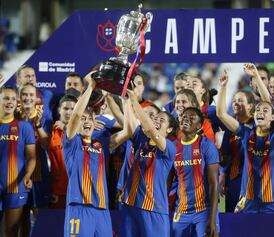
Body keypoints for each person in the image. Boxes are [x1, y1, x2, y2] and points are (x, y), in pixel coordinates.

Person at [217, 70, 274, 214]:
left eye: (265, 110)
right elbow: (221, 113)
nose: (260, 112)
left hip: (271, 201)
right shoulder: (246, 134)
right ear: (253, 114)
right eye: (258, 109)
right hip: (247, 199)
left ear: (272, 118)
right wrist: (223, 87)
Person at [62, 72, 128, 236]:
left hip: (102, 208)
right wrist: (91, 86)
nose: (86, 122)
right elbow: (76, 115)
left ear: (95, 123)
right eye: (83, 120)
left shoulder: (102, 144)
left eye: (90, 119)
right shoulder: (72, 143)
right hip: (79, 206)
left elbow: (129, 129)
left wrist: (111, 97)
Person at [117, 89, 177, 237]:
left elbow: (149, 127)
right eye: (155, 118)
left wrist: (135, 101)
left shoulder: (169, 147)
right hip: (130, 206)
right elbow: (130, 126)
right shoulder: (142, 140)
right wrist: (126, 102)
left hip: (154, 209)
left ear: (169, 129)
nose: (156, 120)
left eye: (161, 120)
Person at [170, 107, 219, 237]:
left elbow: (214, 184)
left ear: (198, 126)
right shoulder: (172, 147)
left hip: (204, 210)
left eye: (192, 118)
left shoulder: (206, 145)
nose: (186, 119)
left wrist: (213, 219)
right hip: (181, 211)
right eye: (184, 117)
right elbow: (167, 183)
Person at [0, 86, 36, 237]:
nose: (10, 102)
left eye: (13, 99)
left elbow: (32, 158)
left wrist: (27, 175)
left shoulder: (24, 127)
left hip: (16, 187)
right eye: (6, 98)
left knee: (11, 232)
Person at [46, 94, 77, 208]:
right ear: (59, 110)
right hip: (56, 191)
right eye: (65, 108)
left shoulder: (83, 132)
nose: (68, 112)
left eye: (73, 109)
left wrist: (66, 128)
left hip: (77, 191)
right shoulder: (50, 131)